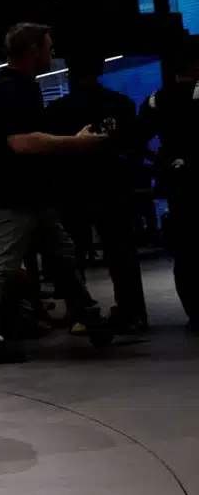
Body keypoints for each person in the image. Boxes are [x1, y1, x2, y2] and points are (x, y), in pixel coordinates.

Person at [0, 24, 112, 362]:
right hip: (15, 196)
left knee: (63, 257)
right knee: (3, 266)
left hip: (28, 195)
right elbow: (22, 142)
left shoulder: (12, 85)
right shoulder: (12, 88)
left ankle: (91, 318)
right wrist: (77, 143)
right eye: (49, 47)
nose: (53, 54)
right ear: (32, 50)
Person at [45, 52, 148, 332]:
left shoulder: (58, 110)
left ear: (69, 73)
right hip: (113, 186)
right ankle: (132, 313)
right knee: (122, 253)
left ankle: (81, 313)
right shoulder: (121, 104)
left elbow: (52, 153)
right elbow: (133, 146)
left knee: (73, 256)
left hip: (73, 189)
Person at [138, 42, 199, 328]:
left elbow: (136, 140)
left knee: (185, 253)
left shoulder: (156, 100)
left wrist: (161, 162)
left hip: (177, 185)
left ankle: (195, 313)